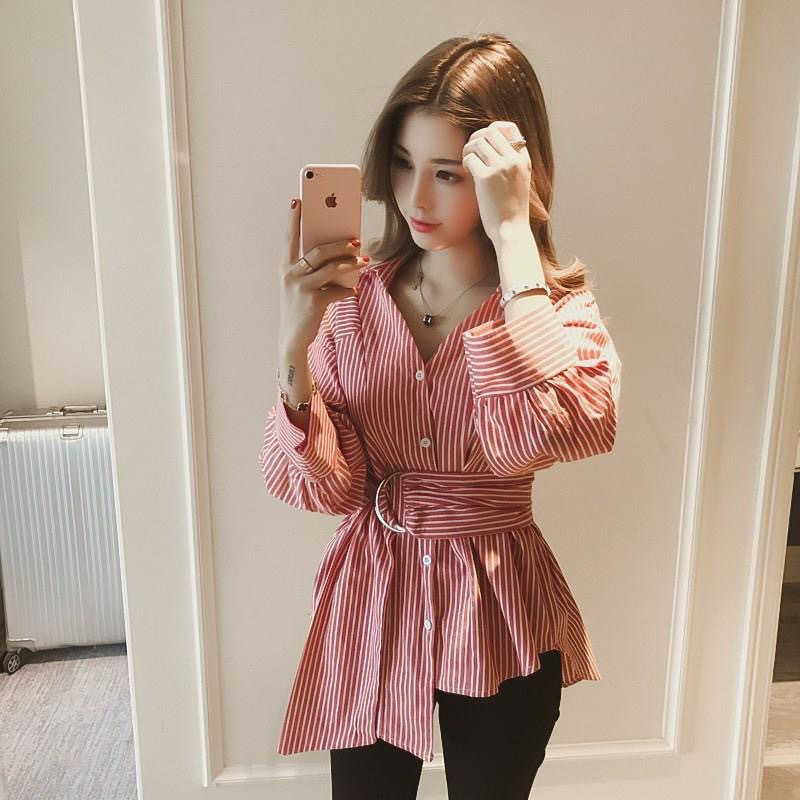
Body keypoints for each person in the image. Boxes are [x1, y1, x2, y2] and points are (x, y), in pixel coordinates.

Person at [259, 32, 622, 799]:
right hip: (371, 597)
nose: (415, 199)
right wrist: (293, 348)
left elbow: (549, 432)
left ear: (509, 176)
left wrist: (515, 240)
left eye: (448, 173)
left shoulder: (557, 309)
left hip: (499, 607)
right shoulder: (352, 303)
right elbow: (329, 489)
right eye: (401, 163)